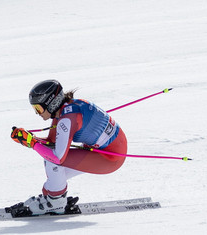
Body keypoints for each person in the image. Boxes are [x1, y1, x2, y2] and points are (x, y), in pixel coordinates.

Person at [7, 79, 127, 216]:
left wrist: (32, 142)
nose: (37, 113)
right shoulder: (64, 109)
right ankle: (54, 197)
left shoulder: (66, 119)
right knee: (53, 163)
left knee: (53, 161)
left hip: (111, 158)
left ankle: (55, 202)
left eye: (38, 108)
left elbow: (57, 157)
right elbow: (52, 142)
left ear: (51, 103)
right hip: (106, 150)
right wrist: (29, 139)